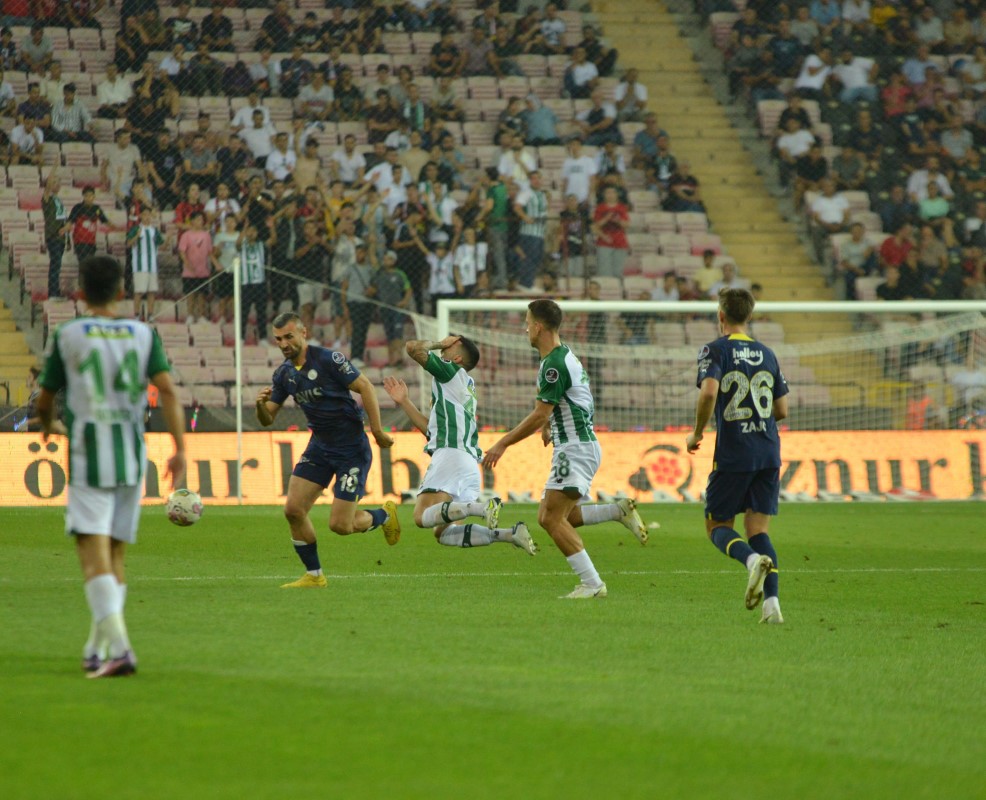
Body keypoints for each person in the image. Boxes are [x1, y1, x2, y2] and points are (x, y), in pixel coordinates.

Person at [36, 254, 186, 678]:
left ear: (80, 293)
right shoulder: (142, 333)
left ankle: (120, 649)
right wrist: (180, 449)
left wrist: (49, 426)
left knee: (91, 555)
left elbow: (45, 397)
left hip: (89, 456)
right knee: (115, 555)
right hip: (132, 456)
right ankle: (95, 647)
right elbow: (169, 393)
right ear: (123, 292)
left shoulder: (69, 333)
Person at [482, 299, 648, 599]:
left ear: (539, 326)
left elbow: (539, 413)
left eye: (527, 322)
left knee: (548, 519)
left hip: (574, 448)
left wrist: (502, 442)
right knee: (564, 516)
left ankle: (593, 584)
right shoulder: (562, 355)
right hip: (577, 445)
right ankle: (617, 510)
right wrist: (550, 426)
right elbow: (571, 400)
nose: (525, 328)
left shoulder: (554, 365)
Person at [255, 312, 399, 588]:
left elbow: (365, 387)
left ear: (303, 333)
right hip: (320, 446)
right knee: (293, 510)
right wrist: (261, 405)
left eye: (288, 336)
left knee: (340, 526)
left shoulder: (328, 360)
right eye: (278, 339)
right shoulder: (284, 374)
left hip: (351, 449)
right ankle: (314, 575)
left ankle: (383, 515)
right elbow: (267, 418)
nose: (283, 343)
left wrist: (377, 430)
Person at [685, 288, 789, 625]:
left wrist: (698, 431)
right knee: (758, 529)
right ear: (750, 316)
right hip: (769, 451)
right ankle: (772, 605)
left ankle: (750, 562)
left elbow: (710, 392)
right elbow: (782, 409)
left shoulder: (715, 350)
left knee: (717, 526)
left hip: (734, 454)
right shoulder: (767, 352)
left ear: (721, 315)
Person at [382, 337, 537, 554]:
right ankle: (510, 534)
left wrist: (437, 343)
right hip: (468, 464)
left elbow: (412, 348)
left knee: (420, 516)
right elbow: (431, 431)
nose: (444, 348)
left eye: (449, 347)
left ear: (456, 358)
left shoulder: (450, 371)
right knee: (443, 533)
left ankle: (482, 508)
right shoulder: (464, 385)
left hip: (451, 456)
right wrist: (405, 402)